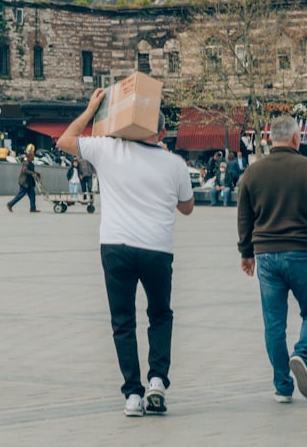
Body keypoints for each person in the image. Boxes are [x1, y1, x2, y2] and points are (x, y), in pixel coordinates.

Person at [57, 88, 194, 419]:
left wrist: (91, 109)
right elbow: (187, 207)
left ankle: (132, 395)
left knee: (123, 320)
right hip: (157, 249)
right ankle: (157, 381)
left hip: (116, 247)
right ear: (161, 132)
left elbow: (65, 140)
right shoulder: (174, 164)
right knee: (160, 314)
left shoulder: (108, 149)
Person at [236, 115, 307, 403]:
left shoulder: (253, 172)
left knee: (274, 324)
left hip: (266, 256)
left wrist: (246, 252)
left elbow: (244, 215)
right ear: (295, 139)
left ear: (269, 139)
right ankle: (302, 354)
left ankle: (282, 386)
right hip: (301, 253)